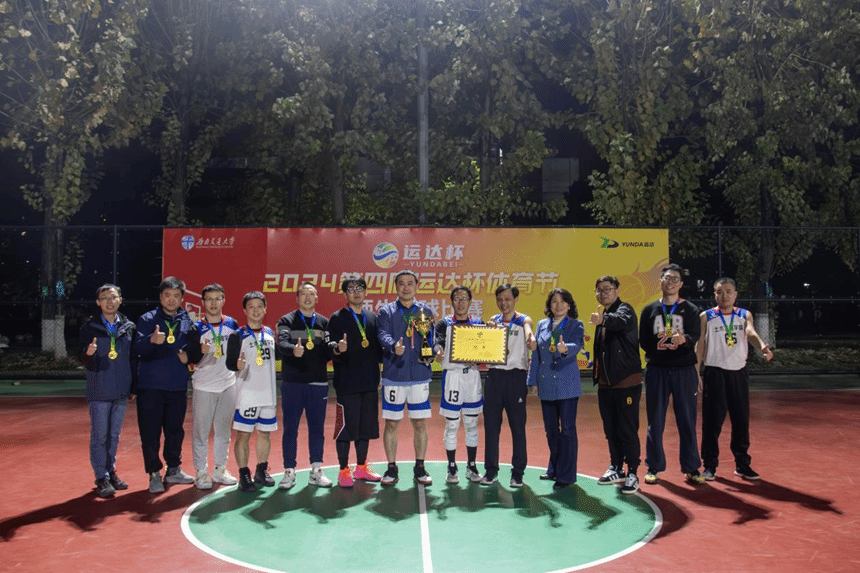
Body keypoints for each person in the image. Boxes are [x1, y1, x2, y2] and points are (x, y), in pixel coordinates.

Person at [696, 277, 774, 481]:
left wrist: (762, 346)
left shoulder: (743, 314)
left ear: (735, 294)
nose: (724, 296)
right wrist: (696, 371)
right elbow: (700, 343)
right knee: (712, 422)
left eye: (728, 291)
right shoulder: (706, 316)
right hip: (715, 373)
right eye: (720, 292)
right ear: (714, 295)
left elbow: (750, 331)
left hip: (738, 373)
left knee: (741, 420)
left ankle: (742, 464)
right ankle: (710, 465)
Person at [639, 264, 705, 485]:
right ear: (660, 281)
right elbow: (644, 340)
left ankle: (691, 467)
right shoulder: (649, 310)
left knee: (687, 419)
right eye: (667, 278)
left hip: (684, 370)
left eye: (675, 279)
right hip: (657, 370)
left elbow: (695, 334)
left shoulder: (690, 309)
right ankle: (654, 466)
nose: (671, 282)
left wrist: (683, 339)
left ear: (681, 284)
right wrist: (659, 350)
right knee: (655, 420)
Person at [133, 276, 195, 494]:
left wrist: (190, 357)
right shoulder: (147, 319)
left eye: (176, 296)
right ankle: (153, 473)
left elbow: (193, 348)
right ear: (160, 297)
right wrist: (151, 340)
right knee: (150, 433)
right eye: (167, 295)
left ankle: (173, 469)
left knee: (175, 431)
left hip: (177, 386)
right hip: (151, 386)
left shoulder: (187, 320)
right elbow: (137, 349)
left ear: (181, 298)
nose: (171, 299)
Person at [376, 270, 435, 486]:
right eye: (402, 283)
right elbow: (382, 334)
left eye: (410, 283)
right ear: (396, 287)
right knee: (392, 423)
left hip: (419, 375)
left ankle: (420, 467)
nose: (406, 287)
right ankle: (391, 468)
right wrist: (393, 346)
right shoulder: (386, 311)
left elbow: (430, 338)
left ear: (416, 286)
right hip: (394, 375)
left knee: (419, 423)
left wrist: (433, 351)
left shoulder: (425, 311)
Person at [78, 284, 136, 498]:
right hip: (99, 390)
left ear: (120, 299)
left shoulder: (129, 327)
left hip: (121, 390)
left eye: (113, 297)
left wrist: (132, 386)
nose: (109, 302)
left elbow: (133, 359)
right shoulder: (89, 328)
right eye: (104, 298)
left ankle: (111, 471)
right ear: (98, 302)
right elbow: (82, 358)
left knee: (114, 436)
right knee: (100, 436)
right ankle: (101, 476)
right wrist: (88, 353)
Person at [326, 275, 384, 488]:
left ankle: (361, 467)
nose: (356, 292)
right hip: (347, 383)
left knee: (365, 427)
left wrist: (379, 375)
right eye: (351, 288)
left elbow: (377, 350)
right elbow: (329, 345)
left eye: (360, 288)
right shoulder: (337, 318)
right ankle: (343, 470)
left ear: (366, 292)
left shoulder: (372, 317)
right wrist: (337, 348)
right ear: (345, 294)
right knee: (345, 428)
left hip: (369, 382)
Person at [276, 282, 333, 489]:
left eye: (311, 294)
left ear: (317, 298)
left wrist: (338, 348)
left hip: (318, 383)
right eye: (303, 294)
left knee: (317, 428)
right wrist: (293, 349)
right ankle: (289, 471)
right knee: (290, 428)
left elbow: (329, 348)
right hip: (293, 383)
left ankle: (316, 470)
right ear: (297, 298)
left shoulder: (324, 322)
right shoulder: (287, 320)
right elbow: (281, 342)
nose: (307, 297)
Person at [589, 276, 643, 494]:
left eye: (607, 289)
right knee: (611, 429)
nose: (603, 293)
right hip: (606, 384)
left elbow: (620, 322)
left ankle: (633, 472)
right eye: (599, 290)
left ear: (617, 290)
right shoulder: (603, 316)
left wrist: (603, 319)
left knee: (627, 429)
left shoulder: (624, 310)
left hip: (626, 382)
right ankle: (617, 467)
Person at [527, 288, 584, 491]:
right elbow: (536, 355)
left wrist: (566, 349)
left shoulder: (576, 325)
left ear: (569, 305)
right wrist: (532, 380)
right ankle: (554, 468)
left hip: (567, 384)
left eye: (562, 301)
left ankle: (566, 475)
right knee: (551, 430)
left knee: (567, 430)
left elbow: (577, 345)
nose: (558, 305)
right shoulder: (542, 325)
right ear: (549, 305)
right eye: (554, 301)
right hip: (546, 383)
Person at [482, 284, 537, 488]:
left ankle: (518, 473)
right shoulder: (493, 321)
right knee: (491, 427)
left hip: (516, 378)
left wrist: (531, 337)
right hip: (494, 378)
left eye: (507, 299)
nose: (503, 303)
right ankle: (491, 471)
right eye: (500, 299)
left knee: (517, 427)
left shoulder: (523, 320)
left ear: (515, 300)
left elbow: (528, 328)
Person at [185, 284, 239, 489]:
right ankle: (201, 472)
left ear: (223, 300)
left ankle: (220, 469)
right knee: (201, 432)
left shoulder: (232, 324)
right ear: (203, 302)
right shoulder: (196, 328)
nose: (213, 303)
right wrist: (200, 351)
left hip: (228, 384)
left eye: (217, 298)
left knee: (224, 431)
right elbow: (192, 358)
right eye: (209, 299)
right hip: (204, 386)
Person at [226, 291, 278, 492]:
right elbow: (230, 363)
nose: (256, 310)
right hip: (247, 394)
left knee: (265, 434)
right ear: (245, 310)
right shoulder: (237, 335)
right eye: (251, 307)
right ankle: (244, 475)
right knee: (243, 436)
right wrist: (236, 365)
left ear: (265, 309)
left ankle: (261, 470)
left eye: (259, 306)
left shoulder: (270, 332)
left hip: (268, 394)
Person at [434, 286, 483, 484]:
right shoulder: (444, 323)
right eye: (457, 298)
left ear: (470, 302)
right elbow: (438, 342)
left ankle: (471, 465)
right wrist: (438, 351)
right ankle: (452, 467)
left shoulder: (478, 323)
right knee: (452, 424)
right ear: (451, 301)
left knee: (471, 424)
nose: (460, 302)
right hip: (453, 376)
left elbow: (485, 348)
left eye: (464, 298)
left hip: (472, 376)